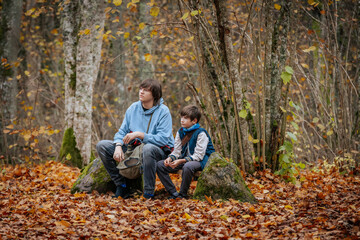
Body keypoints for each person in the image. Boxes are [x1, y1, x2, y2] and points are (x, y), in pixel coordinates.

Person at [96, 79, 174, 199]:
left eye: (146, 90)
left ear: (155, 94)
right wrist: (117, 146)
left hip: (157, 151)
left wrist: (141, 135)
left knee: (148, 149)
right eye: (141, 89)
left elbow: (163, 139)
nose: (141, 92)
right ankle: (121, 185)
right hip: (133, 148)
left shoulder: (163, 111)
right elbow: (122, 131)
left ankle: (148, 193)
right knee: (102, 145)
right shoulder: (133, 108)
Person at [156, 105, 215, 199]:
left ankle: (182, 194)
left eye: (186, 118)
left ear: (194, 121)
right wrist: (170, 158)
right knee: (160, 165)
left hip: (202, 161)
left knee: (188, 166)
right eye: (182, 117)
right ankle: (174, 193)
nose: (182, 120)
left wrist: (181, 161)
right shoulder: (181, 132)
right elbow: (177, 151)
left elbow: (199, 156)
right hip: (186, 159)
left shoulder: (201, 133)